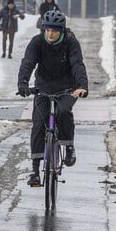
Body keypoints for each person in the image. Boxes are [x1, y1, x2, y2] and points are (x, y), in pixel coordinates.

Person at [16, 10, 89, 187]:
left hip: (66, 86)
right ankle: (35, 171)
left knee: (63, 113)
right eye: (47, 30)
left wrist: (82, 86)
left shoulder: (71, 42)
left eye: (54, 31)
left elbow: (77, 65)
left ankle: (68, 146)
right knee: (39, 124)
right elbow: (28, 63)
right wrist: (23, 83)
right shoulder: (37, 42)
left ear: (61, 31)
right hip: (43, 86)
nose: (50, 34)